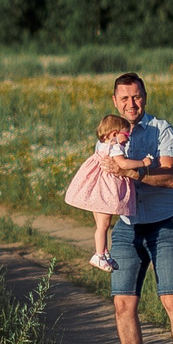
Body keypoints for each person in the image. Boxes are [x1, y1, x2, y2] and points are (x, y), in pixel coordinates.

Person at [96, 72, 173, 344]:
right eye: (124, 98)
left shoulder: (161, 129)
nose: (131, 104)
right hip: (128, 224)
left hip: (166, 222)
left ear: (145, 97)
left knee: (172, 299)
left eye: (136, 97)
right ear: (115, 101)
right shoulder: (109, 132)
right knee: (123, 303)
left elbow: (170, 178)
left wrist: (131, 171)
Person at [63, 112, 145, 269]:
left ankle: (105, 253)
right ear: (115, 134)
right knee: (104, 225)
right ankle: (99, 255)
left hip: (96, 189)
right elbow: (124, 164)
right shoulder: (115, 147)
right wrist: (143, 162)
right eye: (127, 134)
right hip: (104, 191)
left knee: (101, 224)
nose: (128, 138)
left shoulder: (101, 144)